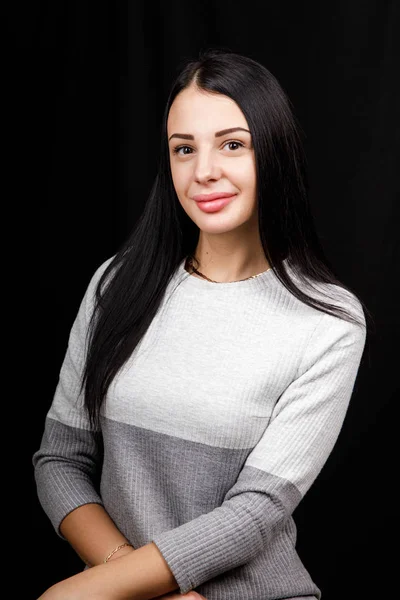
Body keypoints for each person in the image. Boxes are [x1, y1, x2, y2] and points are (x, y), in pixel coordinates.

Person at [33, 47, 371, 600]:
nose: (204, 171)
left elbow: (256, 512)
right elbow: (59, 460)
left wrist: (83, 592)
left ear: (274, 154)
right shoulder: (115, 284)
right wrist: (125, 579)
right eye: (183, 149)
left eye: (233, 145)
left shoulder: (327, 321)